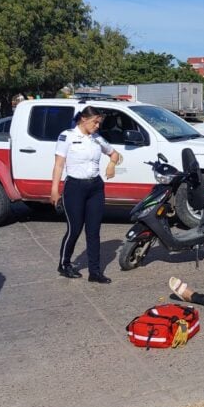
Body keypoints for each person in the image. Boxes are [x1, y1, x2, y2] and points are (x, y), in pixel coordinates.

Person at [50, 106, 122, 284]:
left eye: (99, 123)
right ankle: (64, 264)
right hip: (75, 187)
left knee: (94, 231)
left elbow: (115, 154)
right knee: (74, 229)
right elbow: (59, 165)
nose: (97, 126)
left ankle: (95, 272)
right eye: (95, 122)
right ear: (83, 119)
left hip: (95, 187)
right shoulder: (67, 136)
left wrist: (112, 164)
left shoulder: (97, 139)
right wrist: (54, 189)